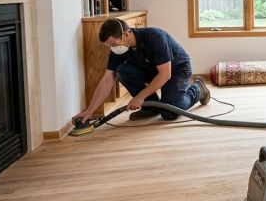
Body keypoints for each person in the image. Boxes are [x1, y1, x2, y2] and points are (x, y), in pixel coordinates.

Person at [73, 18, 210, 124]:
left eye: (114, 44)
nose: (113, 48)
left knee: (170, 113)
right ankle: (151, 107)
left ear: (126, 34)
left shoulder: (155, 37)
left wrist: (140, 97)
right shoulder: (118, 50)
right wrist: (89, 111)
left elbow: (165, 74)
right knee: (121, 70)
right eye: (109, 45)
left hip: (176, 69)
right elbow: (107, 79)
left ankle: (198, 88)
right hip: (152, 69)